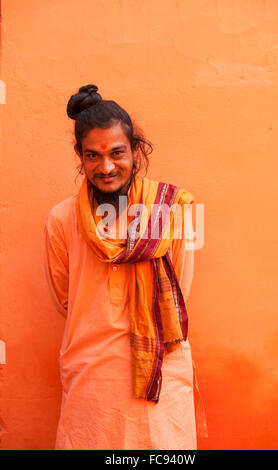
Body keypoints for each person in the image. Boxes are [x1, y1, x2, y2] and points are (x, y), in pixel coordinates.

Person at [43, 84, 207, 450]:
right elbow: (64, 299)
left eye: (117, 153)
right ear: (79, 156)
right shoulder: (61, 219)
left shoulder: (171, 211)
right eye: (93, 156)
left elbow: (181, 291)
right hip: (92, 378)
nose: (106, 167)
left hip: (159, 371)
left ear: (135, 150)